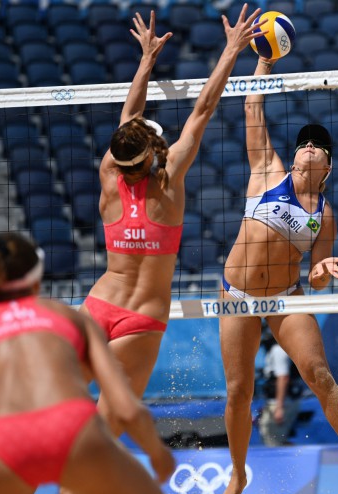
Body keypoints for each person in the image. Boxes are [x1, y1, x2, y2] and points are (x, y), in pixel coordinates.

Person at [80, 7, 264, 435]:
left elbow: (128, 119)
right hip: (140, 318)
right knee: (105, 434)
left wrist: (145, 60)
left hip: (98, 304)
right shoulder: (168, 178)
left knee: (55, 406)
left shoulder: (110, 170)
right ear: (152, 153)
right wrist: (232, 49)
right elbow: (203, 108)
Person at [218, 55, 338, 494]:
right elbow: (252, 107)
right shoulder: (268, 170)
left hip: (286, 296)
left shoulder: (323, 214)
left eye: (318, 146)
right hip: (236, 294)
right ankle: (237, 473)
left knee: (318, 373)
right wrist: (262, 61)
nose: (308, 146)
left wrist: (320, 271)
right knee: (238, 391)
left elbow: (317, 281)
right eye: (303, 143)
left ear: (327, 168)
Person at [0, 232, 174, 494]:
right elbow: (128, 410)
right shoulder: (68, 317)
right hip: (77, 435)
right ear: (36, 282)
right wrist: (158, 454)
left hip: (2, 442)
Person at [258, 328, 303, 447]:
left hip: (283, 402)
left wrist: (279, 407)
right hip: (280, 401)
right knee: (277, 439)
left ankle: (282, 464)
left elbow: (283, 378)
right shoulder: (278, 349)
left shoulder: (278, 350)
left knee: (273, 440)